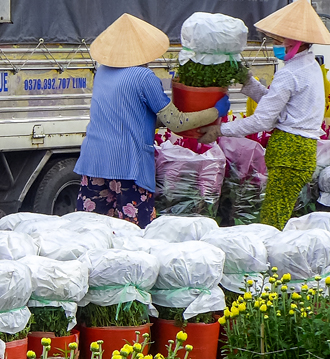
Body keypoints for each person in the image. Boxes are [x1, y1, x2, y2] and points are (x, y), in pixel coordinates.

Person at [73, 13, 229, 227]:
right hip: (128, 165)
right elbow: (176, 122)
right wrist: (215, 111)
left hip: (94, 161)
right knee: (135, 232)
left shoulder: (102, 72)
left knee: (93, 229)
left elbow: (131, 117)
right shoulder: (144, 77)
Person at [198, 0, 330, 228]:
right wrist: (247, 81)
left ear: (297, 43)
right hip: (301, 151)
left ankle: (271, 252)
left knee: (273, 218)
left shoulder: (290, 73)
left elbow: (263, 119)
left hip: (290, 152)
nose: (274, 45)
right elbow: (275, 104)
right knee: (278, 211)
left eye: (280, 41)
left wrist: (220, 130)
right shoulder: (309, 66)